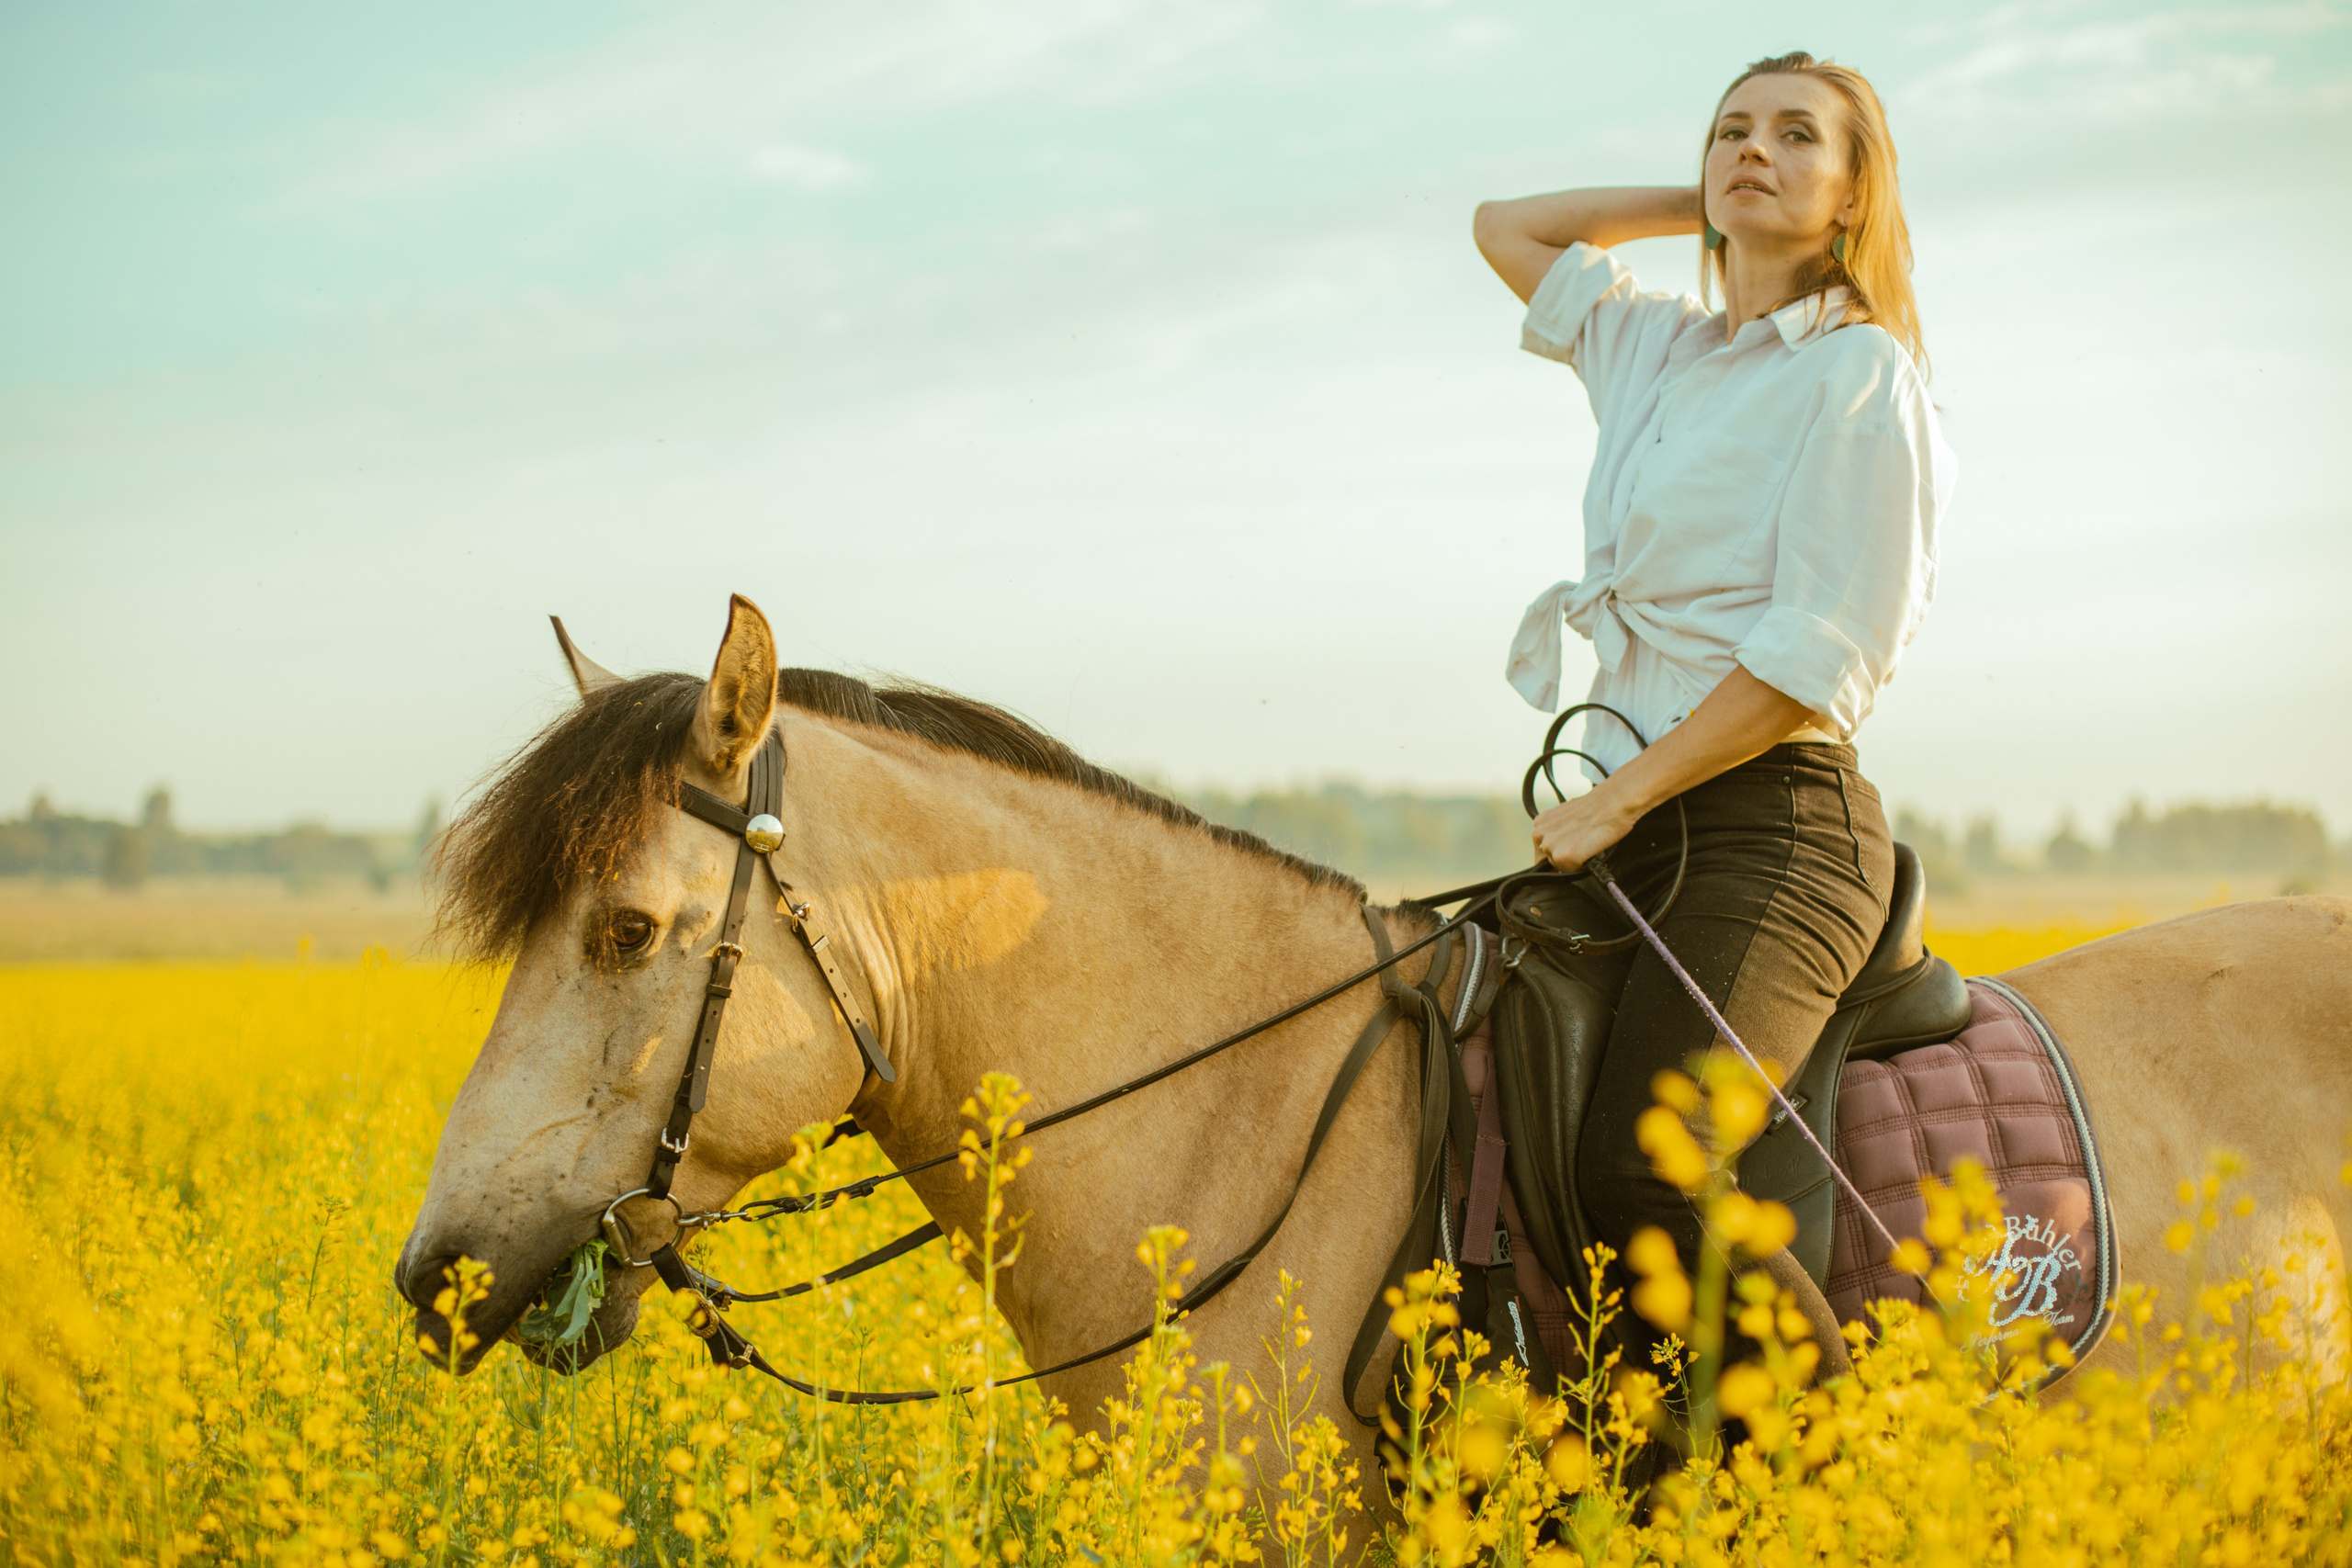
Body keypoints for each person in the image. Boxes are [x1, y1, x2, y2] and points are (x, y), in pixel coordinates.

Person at [1472, 52, 1953, 1364]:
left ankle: (1832, 1471)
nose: (1756, 149)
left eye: (1799, 138)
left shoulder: (1860, 378)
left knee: (1649, 1168)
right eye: (1731, 132)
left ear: (1856, 195)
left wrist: (1617, 797)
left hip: (1769, 835)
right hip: (1635, 824)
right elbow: (1502, 226)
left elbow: (1815, 658)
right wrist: (1700, 197)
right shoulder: (1655, 349)